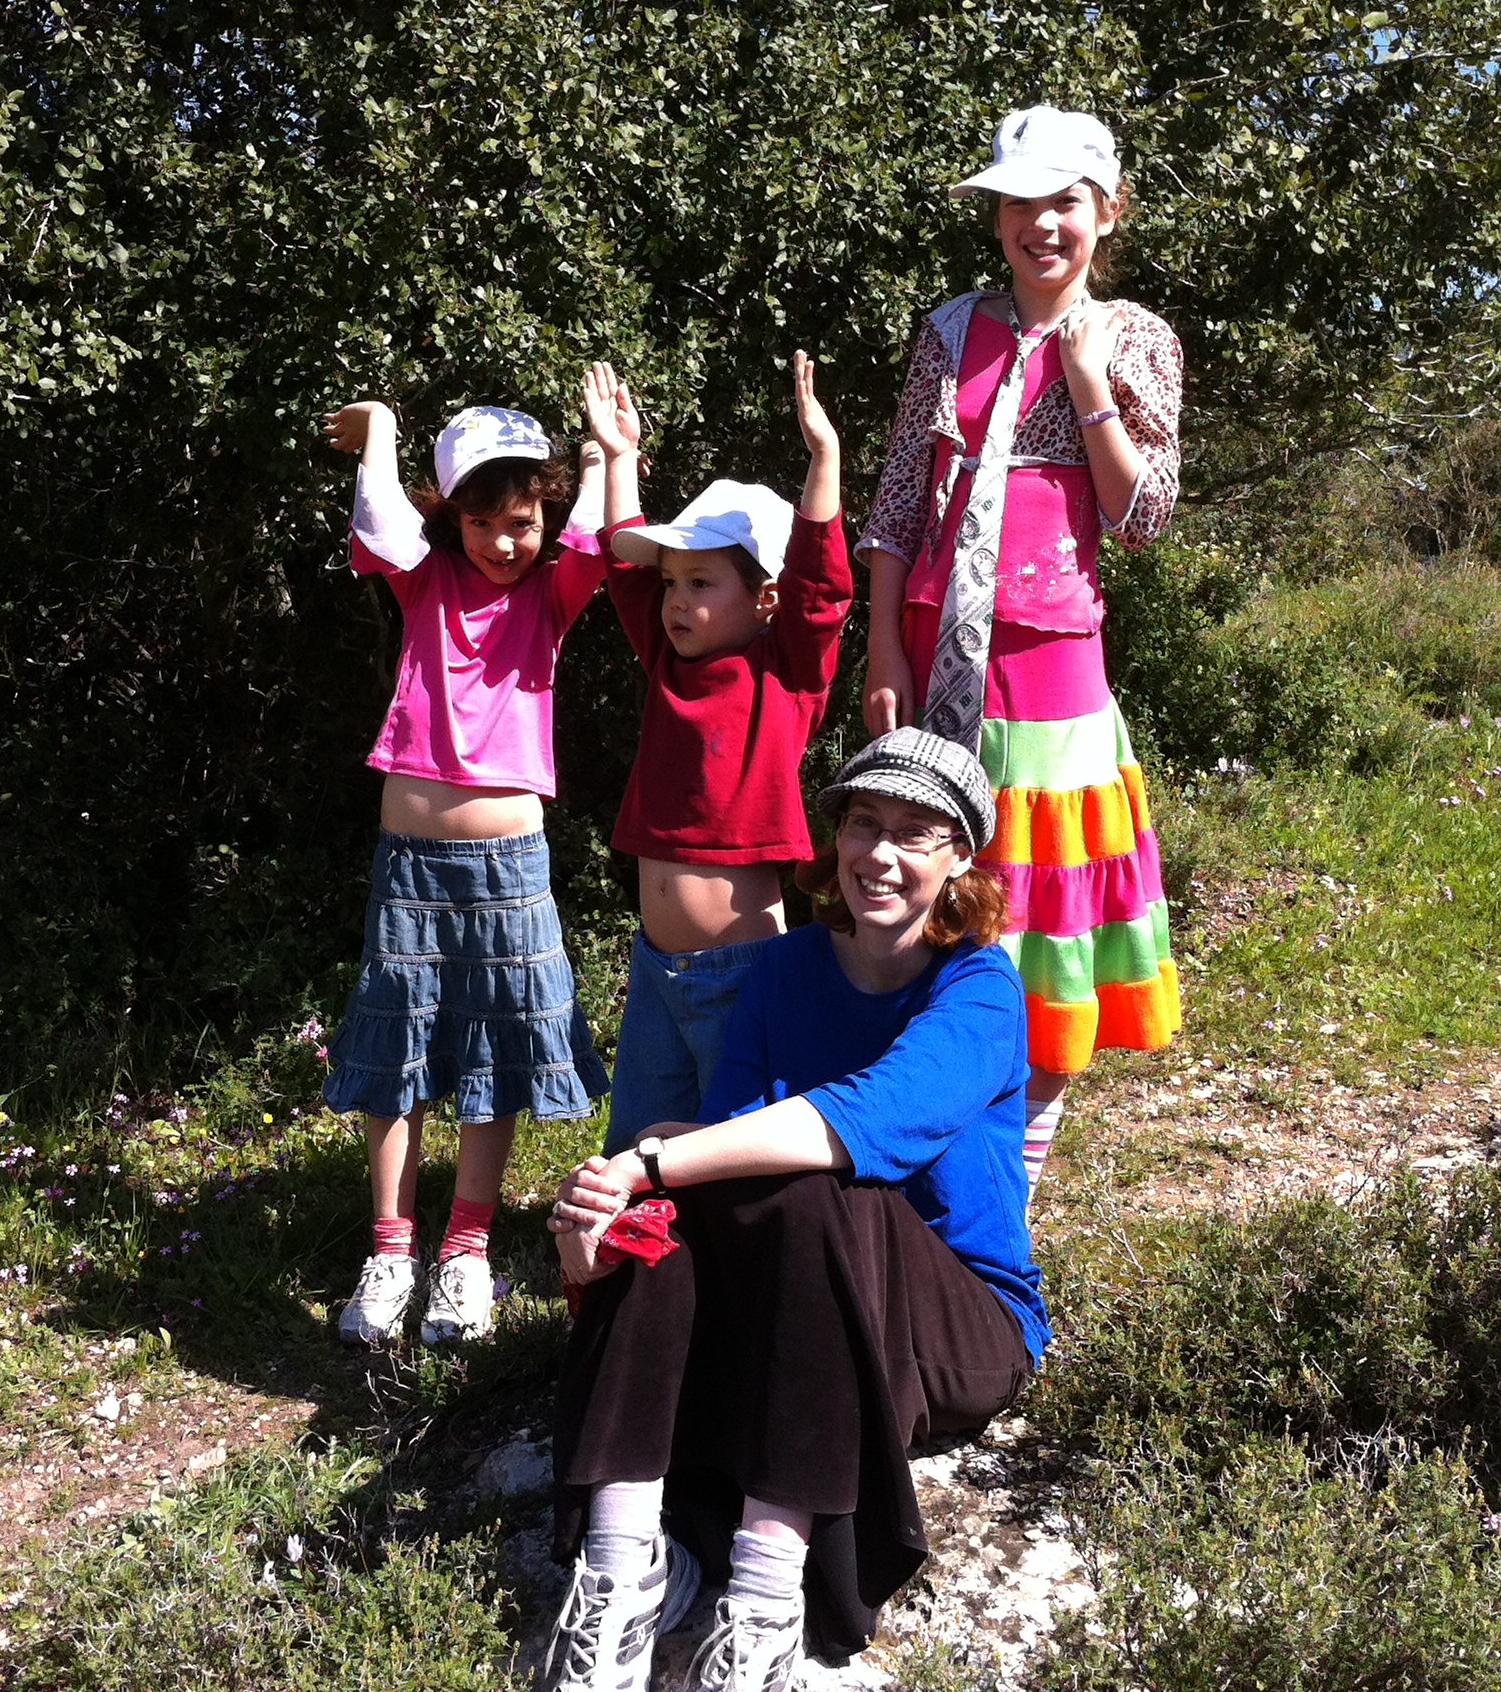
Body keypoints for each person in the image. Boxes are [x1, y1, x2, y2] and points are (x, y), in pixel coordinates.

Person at [538, 730, 1045, 1692]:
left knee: (810, 1178)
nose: (879, 855)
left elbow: (867, 1122)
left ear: (959, 857)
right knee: (681, 1198)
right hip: (805, 1310)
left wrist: (654, 1156)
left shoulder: (980, 988)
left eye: (915, 833)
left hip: (958, 1326)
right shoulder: (782, 969)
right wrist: (605, 1212)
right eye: (863, 823)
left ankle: (766, 1601)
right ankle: (623, 1569)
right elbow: (727, 1154)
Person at [857, 104, 1186, 1191]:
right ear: (995, 215)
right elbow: (898, 500)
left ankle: (1009, 1178)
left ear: (1108, 212)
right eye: (1020, 202)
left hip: (1049, 669)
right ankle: (917, 1141)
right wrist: (882, 649)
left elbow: (1141, 518)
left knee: (1037, 914)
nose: (1042, 223)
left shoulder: (1138, 338)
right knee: (927, 886)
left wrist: (1088, 383)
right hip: (932, 653)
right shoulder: (951, 332)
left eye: (1066, 202)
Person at [316, 397, 613, 1347]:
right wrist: (382, 430)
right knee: (392, 1049)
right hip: (410, 862)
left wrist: (606, 456)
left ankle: (467, 1251)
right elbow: (379, 523)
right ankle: (390, 1252)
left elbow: (603, 535)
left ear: (545, 513)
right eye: (479, 522)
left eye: (521, 521)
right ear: (452, 517)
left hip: (509, 865)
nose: (502, 542)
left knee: (496, 1051)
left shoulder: (553, 594)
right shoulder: (424, 580)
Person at [579, 354, 852, 1154]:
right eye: (673, 583)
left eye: (700, 583)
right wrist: (620, 459)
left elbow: (821, 591)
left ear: (764, 598)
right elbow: (625, 571)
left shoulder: (785, 673)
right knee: (639, 1140)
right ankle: (643, 1233)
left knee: (735, 1140)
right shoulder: (670, 662)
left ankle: (744, 1236)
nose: (676, 601)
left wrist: (824, 458)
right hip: (655, 968)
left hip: (739, 970)